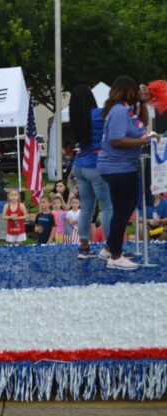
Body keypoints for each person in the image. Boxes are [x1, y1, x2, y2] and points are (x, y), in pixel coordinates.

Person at [97, 75, 159, 270]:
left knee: (124, 209)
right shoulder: (119, 111)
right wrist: (144, 142)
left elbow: (143, 122)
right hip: (118, 167)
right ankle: (115, 256)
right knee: (123, 211)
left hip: (121, 166)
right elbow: (116, 139)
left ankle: (109, 248)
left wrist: (143, 103)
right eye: (136, 91)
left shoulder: (127, 110)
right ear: (128, 91)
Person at [69, 85, 114, 258]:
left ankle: (84, 248)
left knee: (86, 207)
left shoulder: (75, 118)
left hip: (79, 165)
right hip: (96, 165)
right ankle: (110, 248)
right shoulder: (99, 114)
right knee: (108, 207)